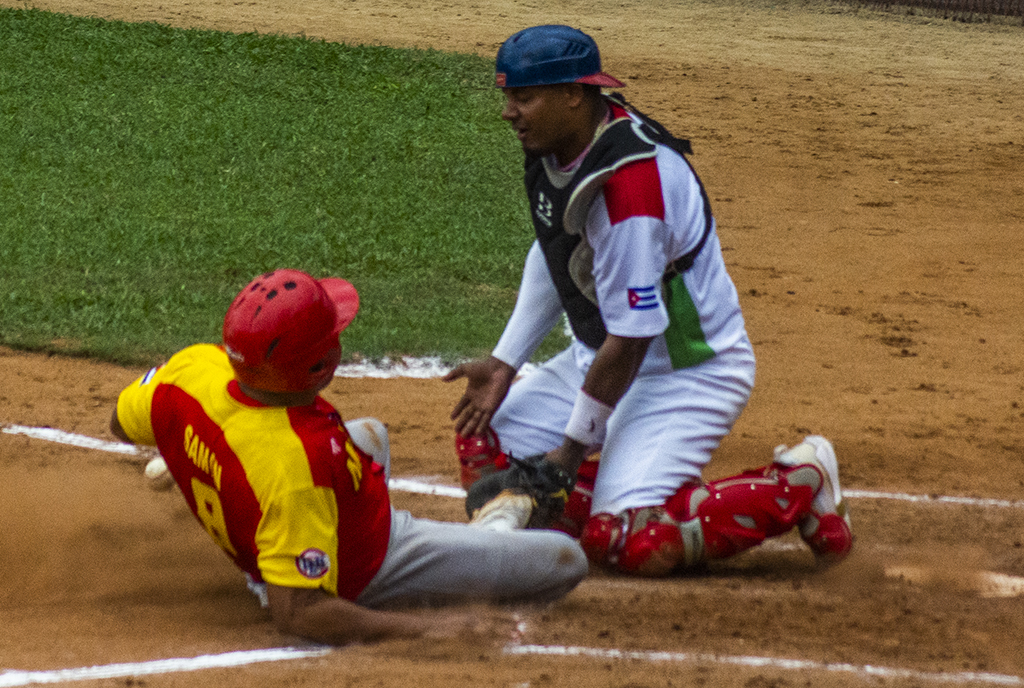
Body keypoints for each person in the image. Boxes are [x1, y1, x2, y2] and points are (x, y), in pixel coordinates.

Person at [444, 25, 853, 576]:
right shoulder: (563, 143)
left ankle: (801, 480)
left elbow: (633, 337)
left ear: (573, 94)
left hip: (683, 371)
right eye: (508, 97)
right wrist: (504, 362)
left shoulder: (631, 192)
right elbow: (557, 249)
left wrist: (569, 454)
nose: (509, 113)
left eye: (525, 98)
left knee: (627, 542)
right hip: (602, 357)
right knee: (488, 450)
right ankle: (632, 482)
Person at [110, 268, 588, 646]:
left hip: (266, 494)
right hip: (368, 564)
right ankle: (492, 533)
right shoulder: (299, 465)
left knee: (370, 434)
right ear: (321, 366)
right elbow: (300, 614)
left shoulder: (193, 367)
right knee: (566, 561)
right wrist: (430, 629)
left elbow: (118, 422)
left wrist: (196, 451)